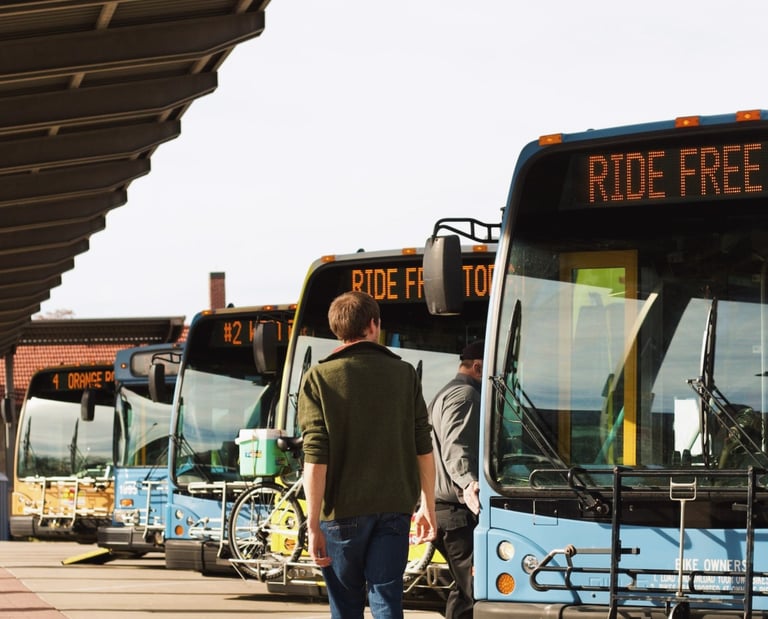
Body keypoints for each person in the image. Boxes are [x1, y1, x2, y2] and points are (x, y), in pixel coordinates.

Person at [297, 290, 437, 619]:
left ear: (336, 329)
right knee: (387, 600)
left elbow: (316, 457)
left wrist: (313, 522)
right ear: (374, 325)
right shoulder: (405, 374)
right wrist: (427, 504)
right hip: (394, 509)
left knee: (346, 608)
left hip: (341, 515)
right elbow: (423, 445)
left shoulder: (318, 378)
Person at [427, 340, 484, 619]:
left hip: (443, 508)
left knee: (463, 590)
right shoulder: (466, 395)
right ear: (477, 366)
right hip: (457, 510)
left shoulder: (444, 393)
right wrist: (469, 483)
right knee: (477, 589)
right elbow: (456, 447)